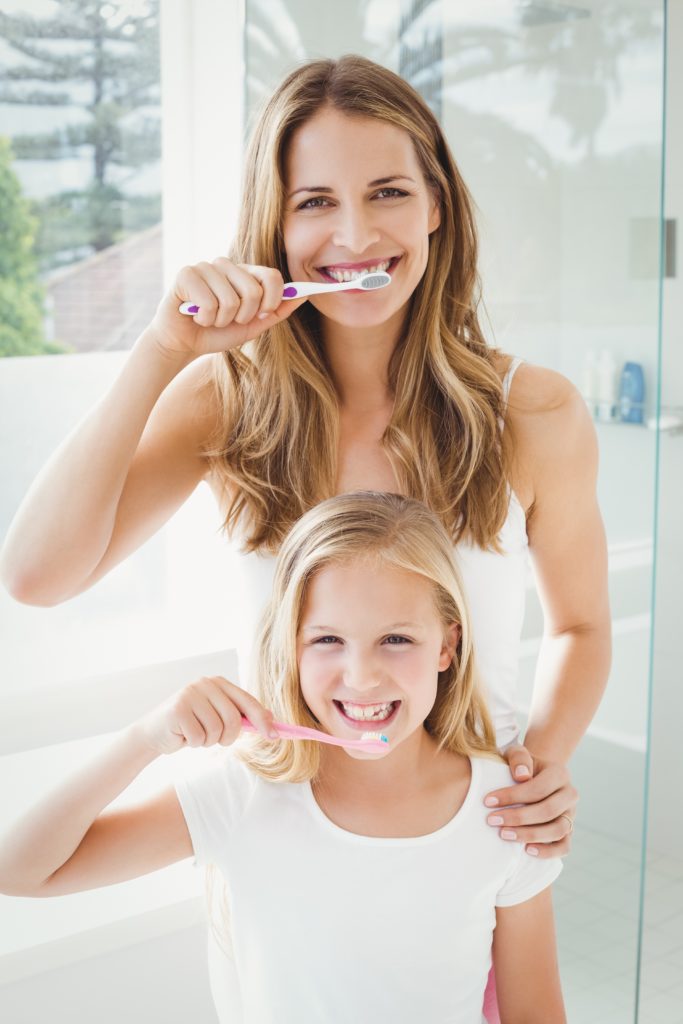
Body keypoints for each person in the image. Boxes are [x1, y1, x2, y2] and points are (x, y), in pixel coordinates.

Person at [0, 54, 610, 1017]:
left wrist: (543, 767)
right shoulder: (226, 405)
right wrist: (161, 350)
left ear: (436, 207)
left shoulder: (532, 412)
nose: (355, 233)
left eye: (387, 192)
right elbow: (34, 575)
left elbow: (580, 626)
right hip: (285, 833)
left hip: (462, 837)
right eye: (313, 201)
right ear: (274, 228)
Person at [0, 492, 567, 1024]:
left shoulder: (508, 811)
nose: (362, 676)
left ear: (447, 645)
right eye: (326, 640)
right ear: (289, 648)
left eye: (396, 639)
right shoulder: (243, 795)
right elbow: (20, 871)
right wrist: (144, 739)